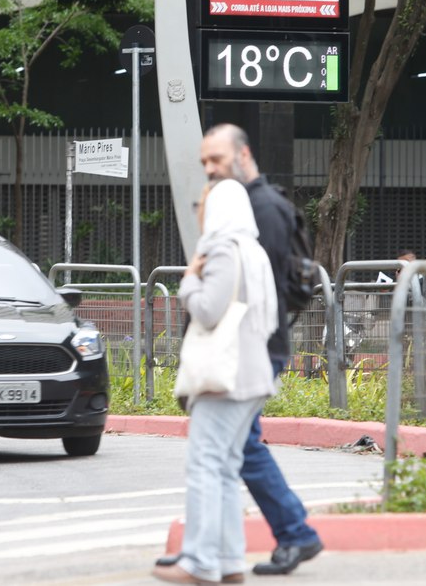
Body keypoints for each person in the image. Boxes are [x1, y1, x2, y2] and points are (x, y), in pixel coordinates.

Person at [159, 123, 325, 576]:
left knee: (231, 451)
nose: (209, 170)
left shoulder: (260, 211)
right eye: (205, 163)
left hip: (248, 348)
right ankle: (225, 549)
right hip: (249, 347)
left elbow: (247, 293)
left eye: (216, 160)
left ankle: (286, 534)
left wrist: (195, 286)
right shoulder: (246, 209)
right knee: (234, 451)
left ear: (243, 154)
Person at [152, 179, 278, 585]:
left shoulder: (222, 249)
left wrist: (188, 280)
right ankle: (228, 561)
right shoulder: (253, 250)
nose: (199, 211)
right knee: (225, 468)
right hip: (250, 374)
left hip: (225, 377)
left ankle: (202, 561)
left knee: (205, 464)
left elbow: (207, 310)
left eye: (202, 203)